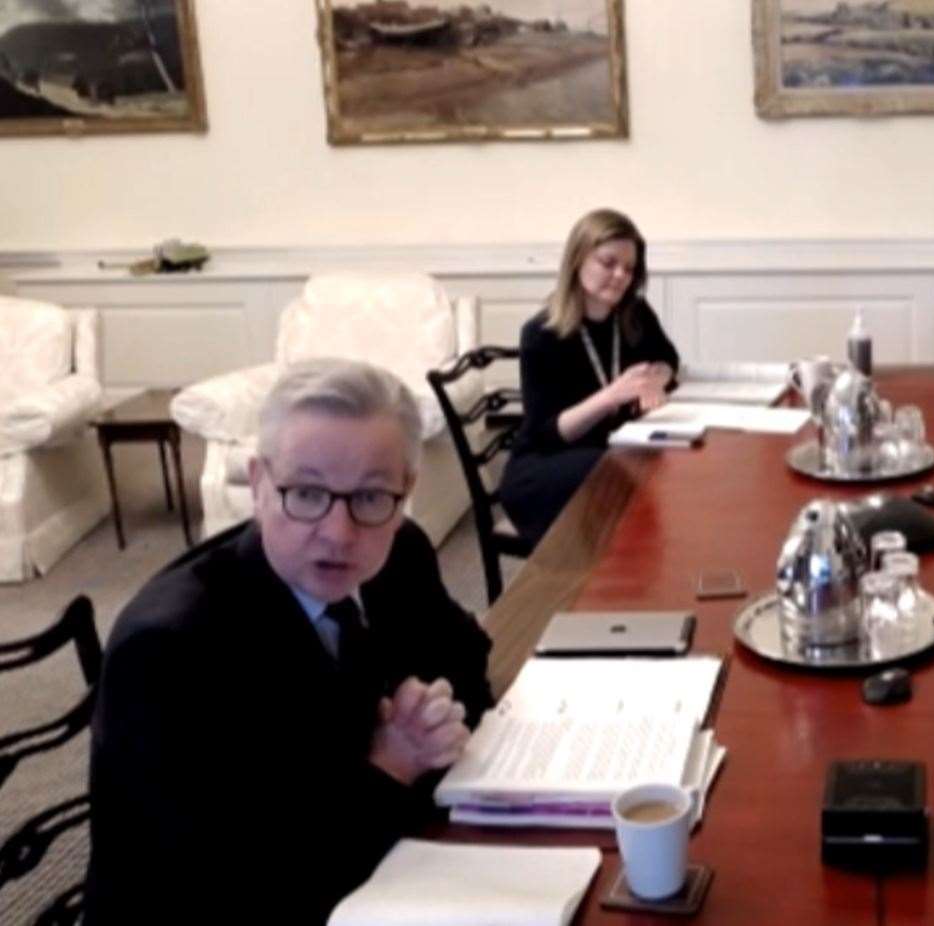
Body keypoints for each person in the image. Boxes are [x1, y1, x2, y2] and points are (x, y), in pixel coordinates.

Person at [86, 359, 495, 925]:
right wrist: (390, 766)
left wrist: (434, 709)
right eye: (305, 493)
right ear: (257, 484)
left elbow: (467, 658)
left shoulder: (399, 551)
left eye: (372, 497)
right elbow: (228, 883)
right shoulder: (169, 650)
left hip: (387, 873)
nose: (338, 532)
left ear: (406, 493)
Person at [498, 208, 680, 551]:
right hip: (546, 466)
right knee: (615, 472)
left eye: (629, 268)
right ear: (578, 258)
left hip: (608, 451)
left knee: (660, 468)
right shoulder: (542, 334)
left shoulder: (634, 313)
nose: (620, 276)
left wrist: (657, 378)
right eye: (608, 263)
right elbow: (548, 433)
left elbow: (669, 358)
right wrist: (613, 395)